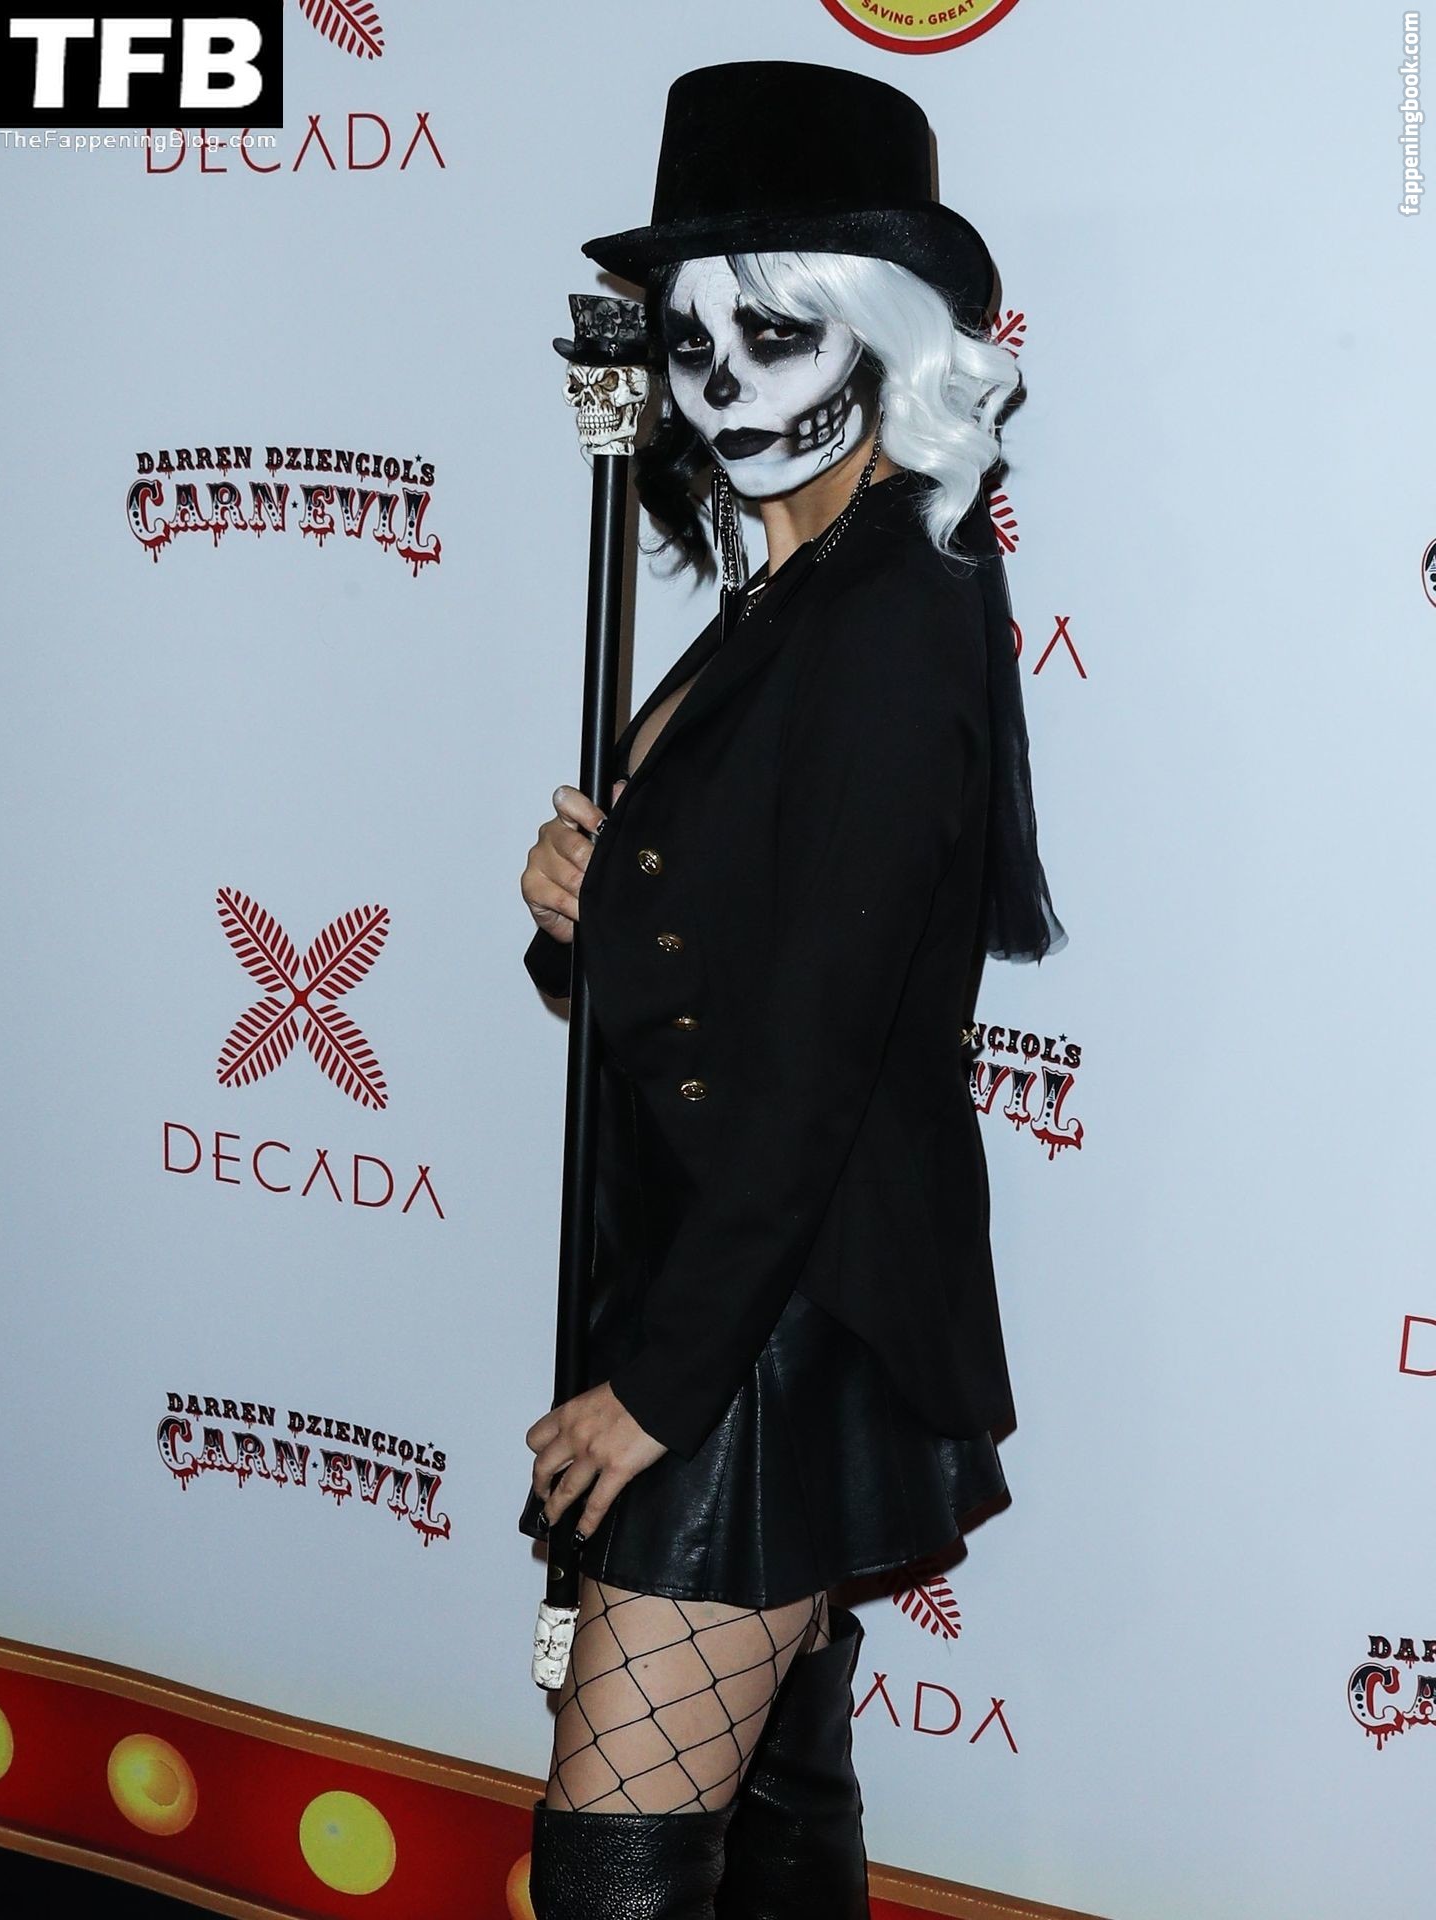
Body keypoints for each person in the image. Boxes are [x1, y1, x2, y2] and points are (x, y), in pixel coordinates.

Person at [515, 60, 1066, 1920]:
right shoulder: (789, 595)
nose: (724, 383)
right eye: (694, 340)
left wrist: (661, 1389)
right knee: (772, 1798)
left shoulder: (899, 604)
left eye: (774, 329)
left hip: (769, 1323)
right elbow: (702, 969)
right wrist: (570, 910)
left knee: (617, 1867)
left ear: (882, 334)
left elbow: (822, 1056)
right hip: (721, 1283)